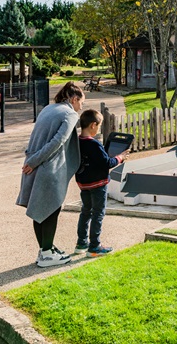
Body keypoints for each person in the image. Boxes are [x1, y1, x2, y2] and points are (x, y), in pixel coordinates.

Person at [16, 81, 84, 268]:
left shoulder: (48, 108)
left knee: (40, 210)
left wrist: (32, 160)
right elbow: (58, 142)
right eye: (81, 103)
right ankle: (46, 254)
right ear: (74, 99)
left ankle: (46, 248)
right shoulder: (70, 114)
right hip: (48, 168)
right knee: (51, 210)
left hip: (34, 164)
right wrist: (36, 160)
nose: (80, 108)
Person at [74, 109, 125, 257]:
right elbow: (107, 163)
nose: (98, 129)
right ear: (93, 125)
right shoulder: (94, 144)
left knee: (85, 211)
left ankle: (81, 242)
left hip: (84, 184)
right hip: (98, 185)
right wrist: (120, 157)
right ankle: (95, 245)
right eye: (99, 126)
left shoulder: (78, 142)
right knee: (98, 213)